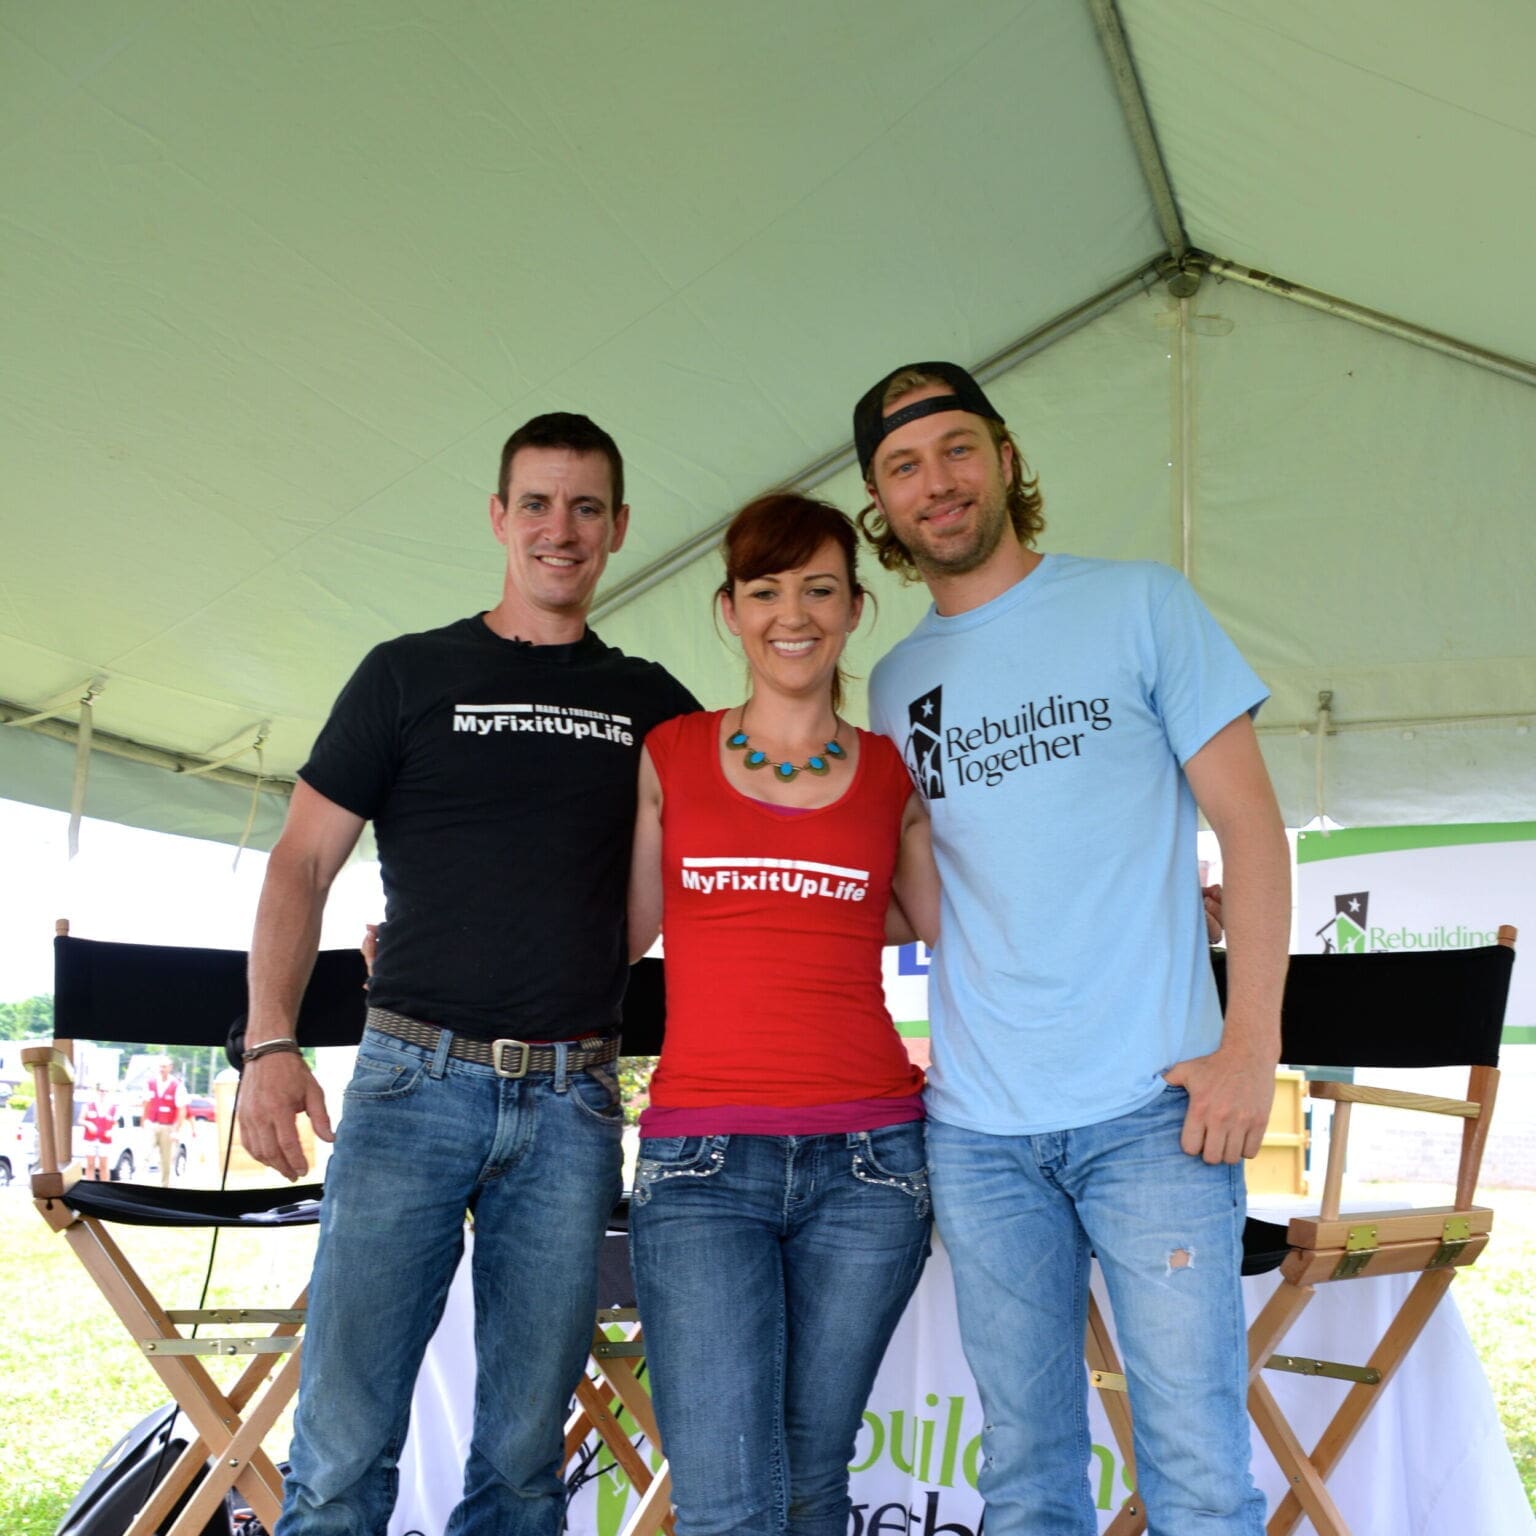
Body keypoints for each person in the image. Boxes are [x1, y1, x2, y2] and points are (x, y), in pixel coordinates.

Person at [237, 412, 697, 1536]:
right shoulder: (406, 674)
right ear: (499, 518)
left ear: (621, 527)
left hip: (573, 1100)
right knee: (341, 1454)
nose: (560, 529)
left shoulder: (656, 705)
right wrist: (268, 1039)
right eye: (536, 503)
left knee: (525, 1463)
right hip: (409, 1087)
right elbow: (302, 857)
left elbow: (738, 858)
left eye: (586, 507)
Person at [853, 361, 1290, 1536]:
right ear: (880, 510)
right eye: (903, 467)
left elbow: (1251, 828)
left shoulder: (1141, 605)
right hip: (981, 1132)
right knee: (1026, 1481)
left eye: (955, 449)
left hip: (1157, 1108)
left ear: (1004, 457)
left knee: (1198, 1475)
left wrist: (1251, 1047)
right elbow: (910, 902)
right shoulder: (896, 687)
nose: (935, 483)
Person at [626, 492, 939, 1536]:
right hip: (702, 1164)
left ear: (856, 608)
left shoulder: (894, 772)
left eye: (817, 588)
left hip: (872, 1164)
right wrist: (451, 933)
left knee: (812, 1485)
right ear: (729, 609)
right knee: (726, 1502)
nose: (790, 612)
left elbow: (973, 930)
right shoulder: (668, 754)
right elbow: (610, 933)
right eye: (764, 590)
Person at [141, 1057, 185, 1187]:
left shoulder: (176, 1085)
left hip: (168, 1126)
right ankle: (139, 1185)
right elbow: (146, 1102)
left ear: (170, 1067)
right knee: (145, 1154)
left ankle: (164, 1186)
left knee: (166, 1159)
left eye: (164, 1067)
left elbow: (181, 1109)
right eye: (160, 1066)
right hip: (152, 1123)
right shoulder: (150, 1083)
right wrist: (143, 1120)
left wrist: (176, 1130)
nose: (161, 1069)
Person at [82, 1083, 118, 1181]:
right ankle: (90, 1186)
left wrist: (111, 1131)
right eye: (101, 1091)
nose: (103, 1093)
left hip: (105, 1139)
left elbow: (115, 1123)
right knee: (90, 1164)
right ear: (97, 1091)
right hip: (90, 1139)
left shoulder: (112, 1107)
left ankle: (105, 1186)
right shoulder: (89, 1105)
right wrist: (89, 1124)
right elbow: (81, 1119)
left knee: (104, 1165)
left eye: (106, 1091)